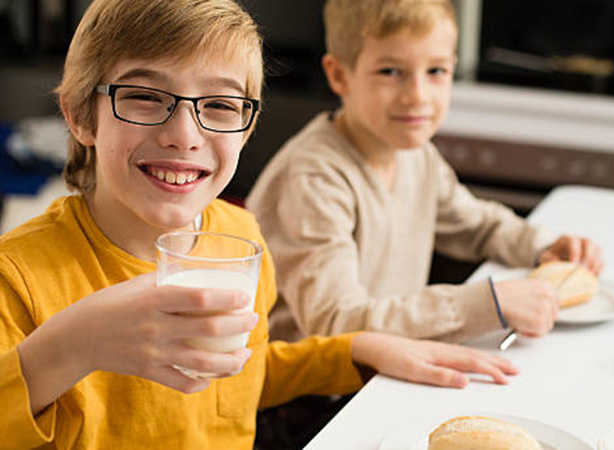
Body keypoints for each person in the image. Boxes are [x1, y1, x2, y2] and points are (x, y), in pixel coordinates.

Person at [0, 1, 520, 448]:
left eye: (221, 105)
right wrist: (69, 348)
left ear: (247, 126)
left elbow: (241, 381)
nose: (184, 134)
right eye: (145, 97)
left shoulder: (241, 239)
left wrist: (353, 350)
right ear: (80, 116)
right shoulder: (16, 277)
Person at [246, 0, 605, 344]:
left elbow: (476, 224)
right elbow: (337, 323)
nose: (417, 96)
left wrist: (541, 246)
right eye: (390, 72)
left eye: (436, 71)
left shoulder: (416, 156)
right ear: (339, 75)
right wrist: (484, 304)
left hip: (384, 367)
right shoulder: (315, 178)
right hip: (313, 398)